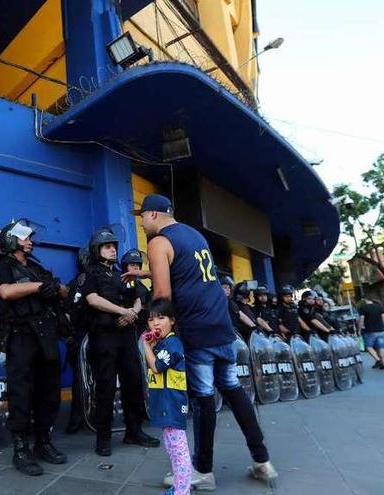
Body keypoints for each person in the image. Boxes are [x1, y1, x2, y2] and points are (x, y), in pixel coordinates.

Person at [125, 194, 276, 490]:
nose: (140, 223)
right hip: (222, 327)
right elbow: (190, 273)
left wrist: (155, 332)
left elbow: (163, 296)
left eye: (141, 216)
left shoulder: (157, 242)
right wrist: (147, 271)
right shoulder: (194, 235)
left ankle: (203, 471)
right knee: (233, 390)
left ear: (153, 214)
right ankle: (262, 461)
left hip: (196, 329)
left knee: (204, 399)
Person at [0, 218, 68, 476]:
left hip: (45, 335)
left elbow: (63, 292)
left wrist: (55, 289)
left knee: (49, 391)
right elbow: (5, 292)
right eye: (25, 238)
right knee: (21, 392)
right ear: (13, 241)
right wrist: (38, 287)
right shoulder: (4, 266)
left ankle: (43, 442)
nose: (30, 241)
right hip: (22, 336)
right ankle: (21, 448)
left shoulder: (37, 267)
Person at [80, 226, 158, 456]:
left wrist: (132, 313)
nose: (113, 250)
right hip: (103, 337)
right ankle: (103, 437)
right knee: (105, 386)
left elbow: (136, 299)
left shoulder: (122, 274)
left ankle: (133, 431)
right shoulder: (90, 273)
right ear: (97, 250)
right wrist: (121, 312)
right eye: (107, 246)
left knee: (133, 382)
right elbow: (92, 299)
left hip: (126, 336)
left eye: (114, 246)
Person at [141, 298, 193, 495]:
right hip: (165, 404)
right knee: (172, 448)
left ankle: (183, 491)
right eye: (151, 319)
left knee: (179, 452)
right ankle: (178, 486)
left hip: (172, 404)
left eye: (161, 318)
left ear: (172, 320)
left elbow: (156, 366)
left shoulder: (172, 344)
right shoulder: (163, 343)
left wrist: (145, 346)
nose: (155, 324)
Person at [64, 248, 91, 434]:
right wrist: (69, 335)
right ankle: (78, 415)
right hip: (79, 336)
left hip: (100, 333)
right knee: (79, 379)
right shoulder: (74, 284)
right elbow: (66, 313)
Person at [357, 297, 384, 369]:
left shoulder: (363, 307)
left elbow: (361, 319)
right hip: (380, 330)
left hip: (370, 331)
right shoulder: (379, 307)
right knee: (381, 346)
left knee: (368, 347)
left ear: (365, 300)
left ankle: (378, 360)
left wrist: (359, 330)